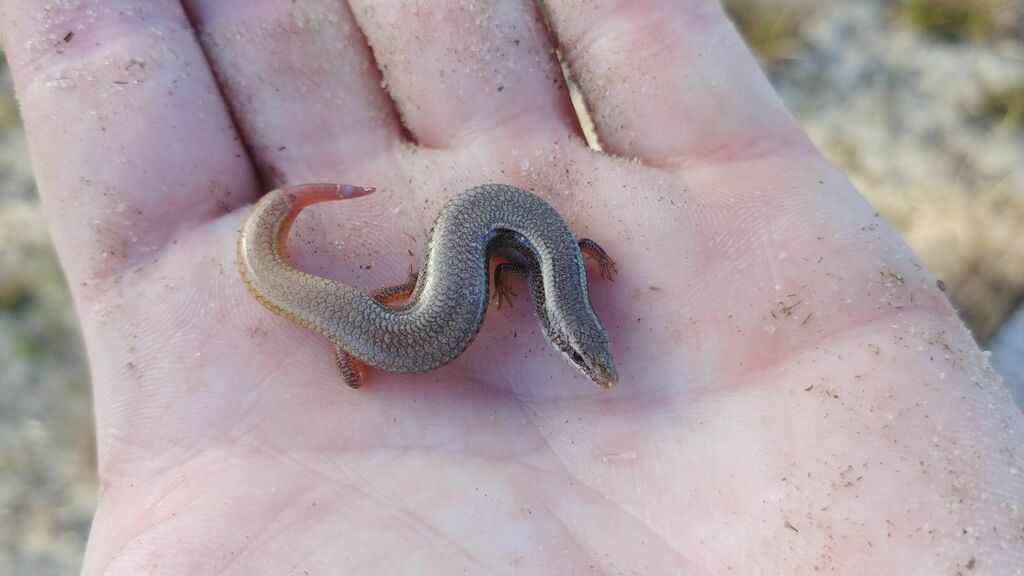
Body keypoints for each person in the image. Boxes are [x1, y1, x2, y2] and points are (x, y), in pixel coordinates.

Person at [3, 1, 1021, 573]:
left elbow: (550, 258)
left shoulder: (542, 274)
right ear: (563, 325)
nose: (585, 357)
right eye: (582, 351)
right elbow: (545, 257)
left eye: (583, 353)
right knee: (389, 324)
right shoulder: (532, 275)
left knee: (394, 322)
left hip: (447, 278)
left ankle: (330, 298)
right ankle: (318, 286)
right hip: (445, 275)